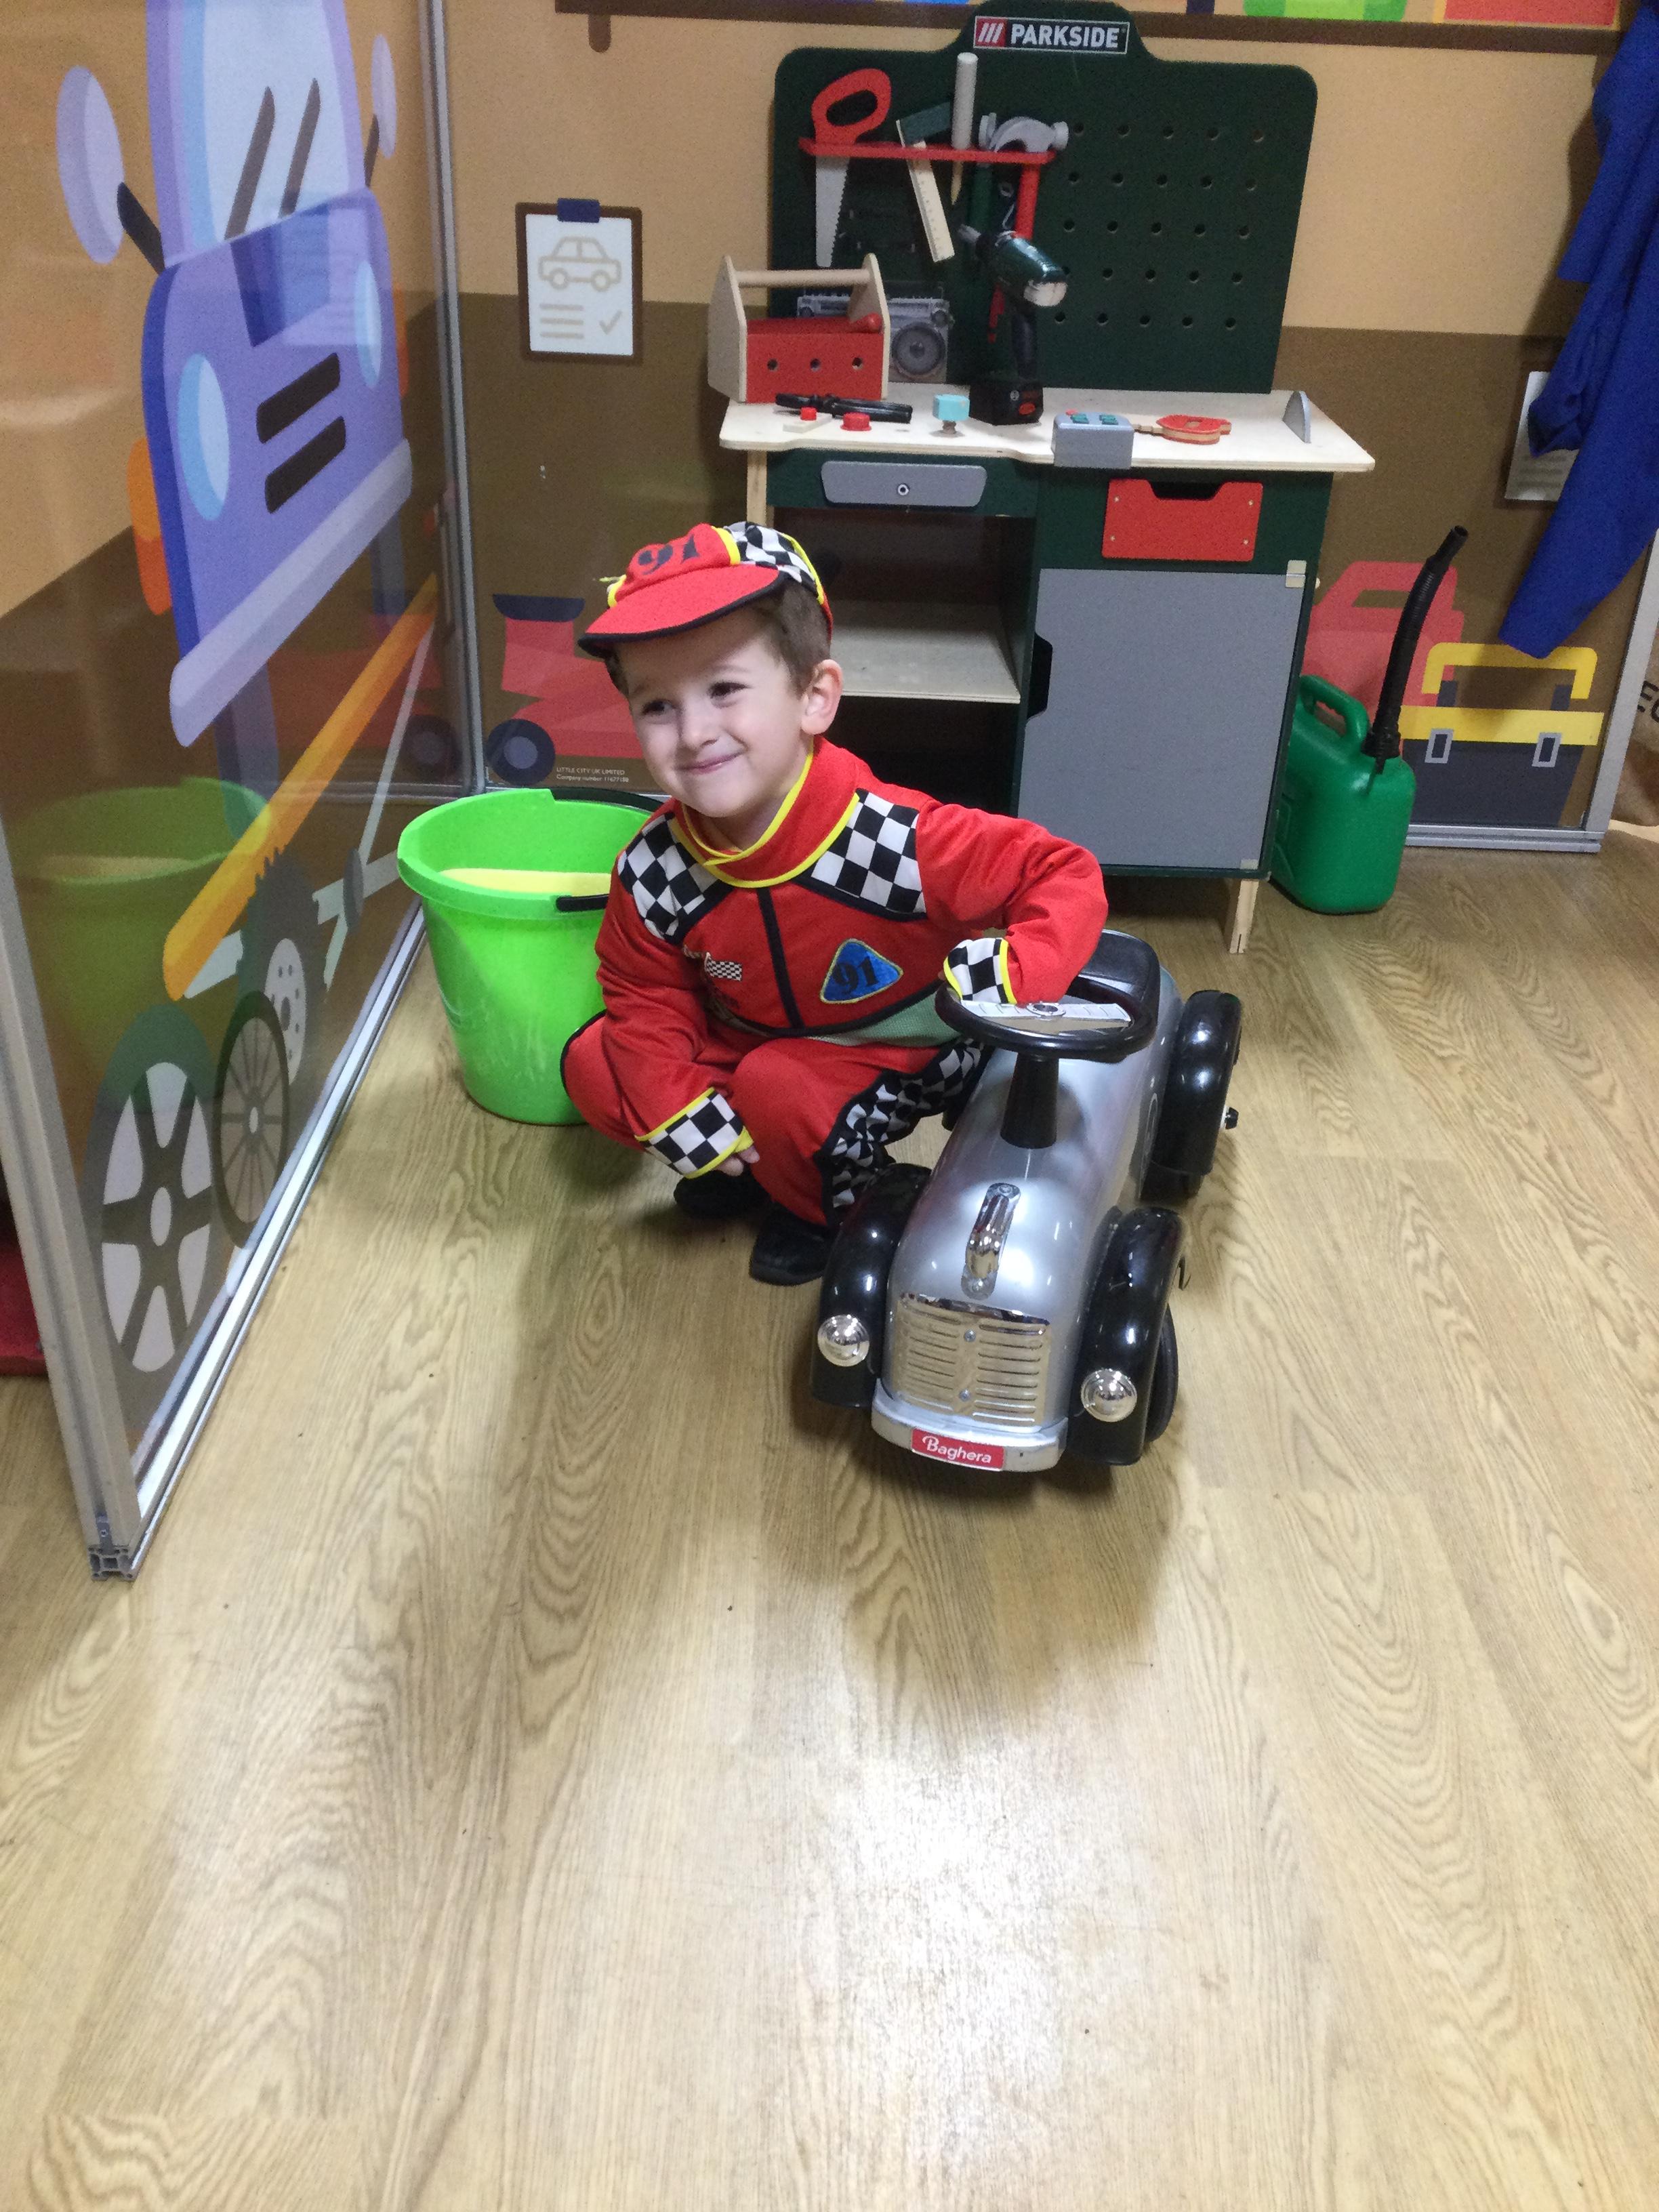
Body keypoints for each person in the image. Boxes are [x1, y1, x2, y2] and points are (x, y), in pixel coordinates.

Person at [562, 520, 1108, 1285]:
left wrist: (1018, 970)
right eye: (657, 705)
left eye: (724, 689)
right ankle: (749, 1162)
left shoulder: (891, 839)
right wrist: (672, 1102)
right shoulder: (653, 868)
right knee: (598, 1065)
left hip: (901, 1045)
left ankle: (835, 1205)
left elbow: (1061, 870)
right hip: (752, 1035)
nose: (692, 733)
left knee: (778, 1086)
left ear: (814, 698)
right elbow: (643, 992)